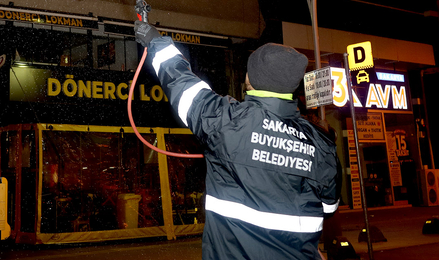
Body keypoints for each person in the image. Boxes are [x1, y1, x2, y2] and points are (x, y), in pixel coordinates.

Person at [135, 21, 340, 260]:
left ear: (249, 79)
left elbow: (182, 83)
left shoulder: (227, 122)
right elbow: (328, 208)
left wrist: (154, 40)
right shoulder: (321, 144)